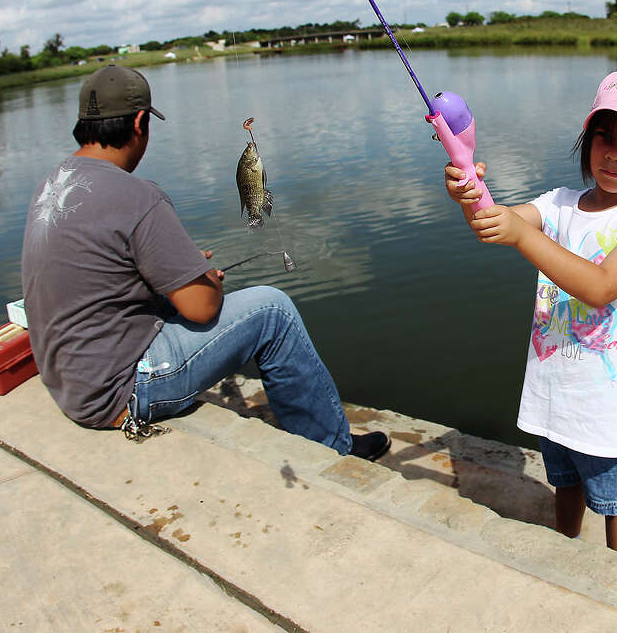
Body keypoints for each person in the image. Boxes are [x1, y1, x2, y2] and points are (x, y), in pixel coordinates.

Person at [20, 64, 390, 461]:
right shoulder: (137, 196)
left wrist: (179, 271)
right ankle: (333, 446)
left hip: (70, 384)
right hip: (121, 390)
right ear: (141, 122)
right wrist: (205, 279)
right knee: (272, 309)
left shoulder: (55, 181)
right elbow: (202, 308)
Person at [443, 68, 617, 553]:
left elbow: (600, 287)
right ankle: (564, 548)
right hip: (556, 394)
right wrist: (469, 192)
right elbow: (498, 222)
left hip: (609, 406)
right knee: (565, 483)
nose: (614, 153)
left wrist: (523, 235)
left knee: (616, 499)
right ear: (586, 139)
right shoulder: (558, 203)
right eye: (603, 137)